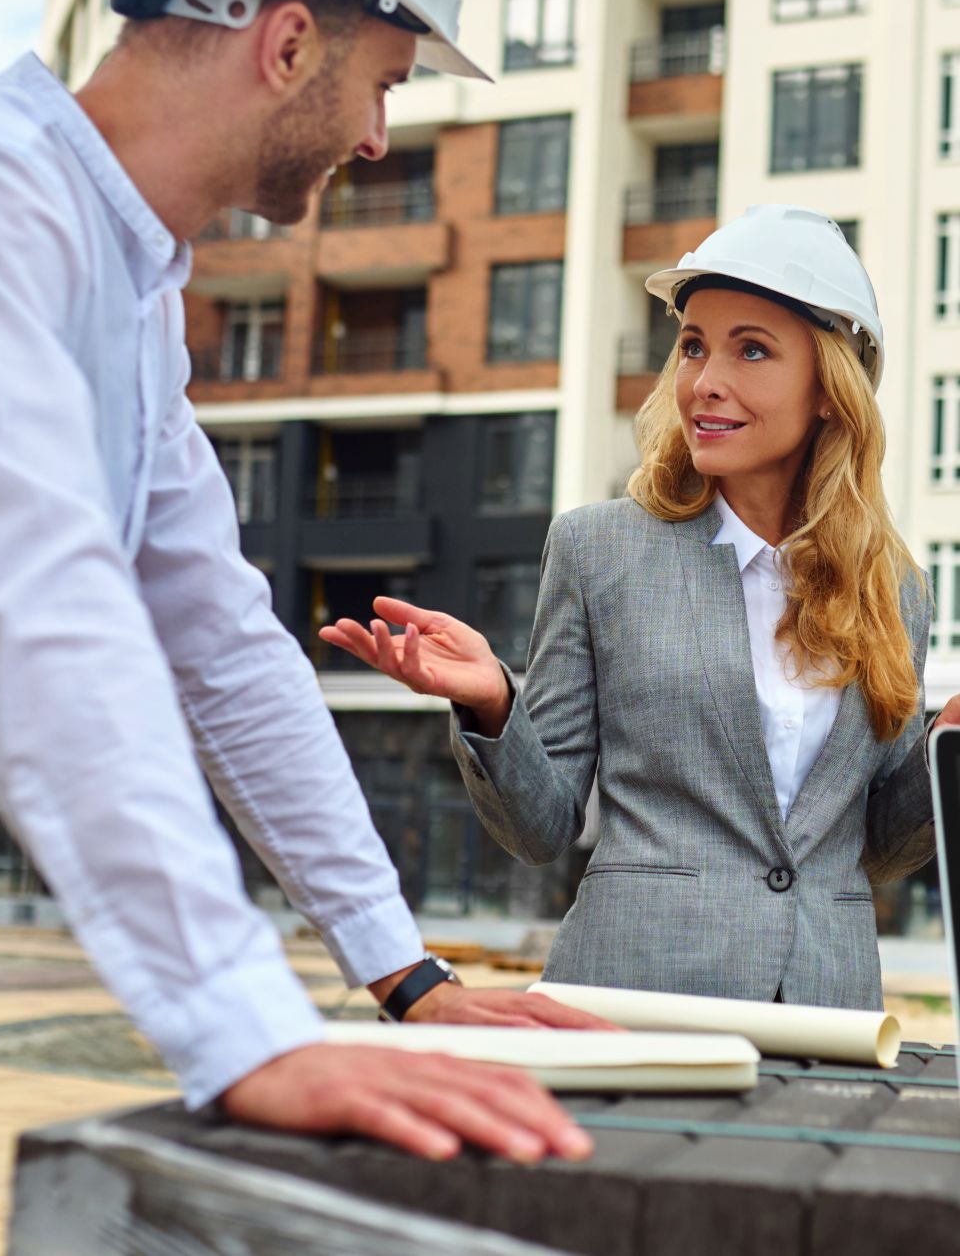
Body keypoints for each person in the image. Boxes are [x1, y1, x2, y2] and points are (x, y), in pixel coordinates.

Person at [0, 0, 607, 1166]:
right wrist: (238, 1023)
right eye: (385, 81)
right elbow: (32, 601)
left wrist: (404, 975)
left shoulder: (126, 295)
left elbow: (221, 649)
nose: (377, 136)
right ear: (289, 41)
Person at [322, 204, 960, 1009]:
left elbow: (879, 847)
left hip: (828, 1015)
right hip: (631, 1000)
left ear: (830, 390)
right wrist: (490, 705)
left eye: (751, 350)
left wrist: (949, 742)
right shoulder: (600, 551)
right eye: (693, 345)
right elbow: (540, 830)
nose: (704, 381)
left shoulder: (894, 588)